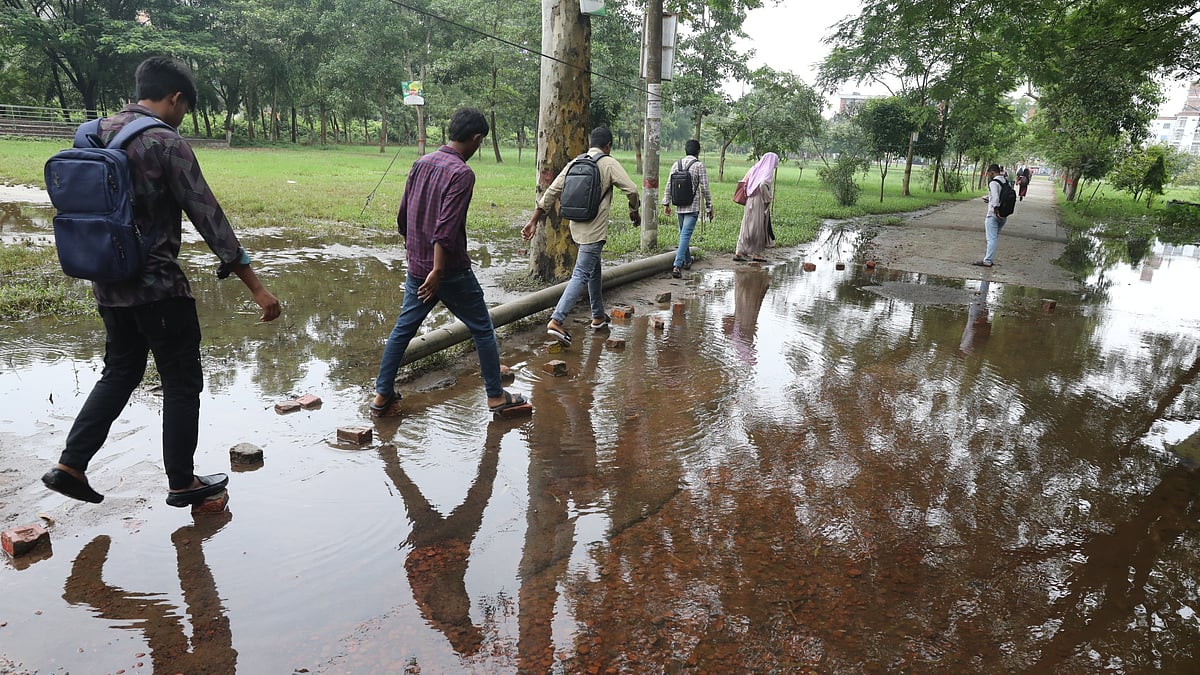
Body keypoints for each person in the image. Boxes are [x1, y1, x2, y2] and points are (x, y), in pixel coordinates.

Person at [41, 56, 281, 508]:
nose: (182, 116)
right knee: (181, 380)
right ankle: (182, 480)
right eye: (184, 107)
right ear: (174, 98)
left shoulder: (90, 134)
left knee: (120, 371)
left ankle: (70, 465)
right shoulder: (163, 141)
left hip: (107, 281)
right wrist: (255, 285)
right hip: (158, 288)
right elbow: (209, 216)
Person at [370, 107, 527, 417]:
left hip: (418, 267)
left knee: (403, 330)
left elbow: (403, 217)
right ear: (476, 138)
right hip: (449, 271)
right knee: (482, 328)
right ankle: (496, 396)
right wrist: (438, 270)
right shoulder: (461, 173)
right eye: (480, 142)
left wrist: (418, 259)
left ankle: (382, 394)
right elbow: (446, 228)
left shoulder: (421, 163)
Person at [522, 127, 640, 345]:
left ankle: (597, 316)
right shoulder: (608, 162)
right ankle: (556, 320)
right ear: (608, 146)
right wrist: (634, 209)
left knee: (593, 268)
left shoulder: (576, 162)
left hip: (576, 227)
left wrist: (533, 220)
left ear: (590, 144)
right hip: (594, 229)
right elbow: (632, 189)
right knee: (581, 274)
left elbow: (552, 192)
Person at [662, 139, 713, 278]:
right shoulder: (699, 165)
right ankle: (677, 265)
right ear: (698, 152)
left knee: (683, 234)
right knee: (685, 235)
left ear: (685, 150)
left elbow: (669, 185)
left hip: (679, 205)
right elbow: (705, 188)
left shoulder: (676, 164)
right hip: (693, 205)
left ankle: (687, 260)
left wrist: (666, 203)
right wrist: (709, 206)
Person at [733, 152, 779, 263]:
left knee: (746, 225)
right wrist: (768, 198)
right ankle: (757, 254)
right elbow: (763, 184)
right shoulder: (767, 172)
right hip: (758, 200)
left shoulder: (755, 168)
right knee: (757, 227)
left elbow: (745, 180)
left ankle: (739, 251)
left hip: (749, 200)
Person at [974, 164, 1009, 268]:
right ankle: (989, 258)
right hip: (1004, 214)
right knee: (994, 237)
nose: (988, 175)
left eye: (989, 173)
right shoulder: (1005, 181)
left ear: (992, 172)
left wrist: (995, 210)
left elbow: (996, 198)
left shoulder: (993, 183)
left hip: (994, 214)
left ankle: (988, 260)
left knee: (991, 239)